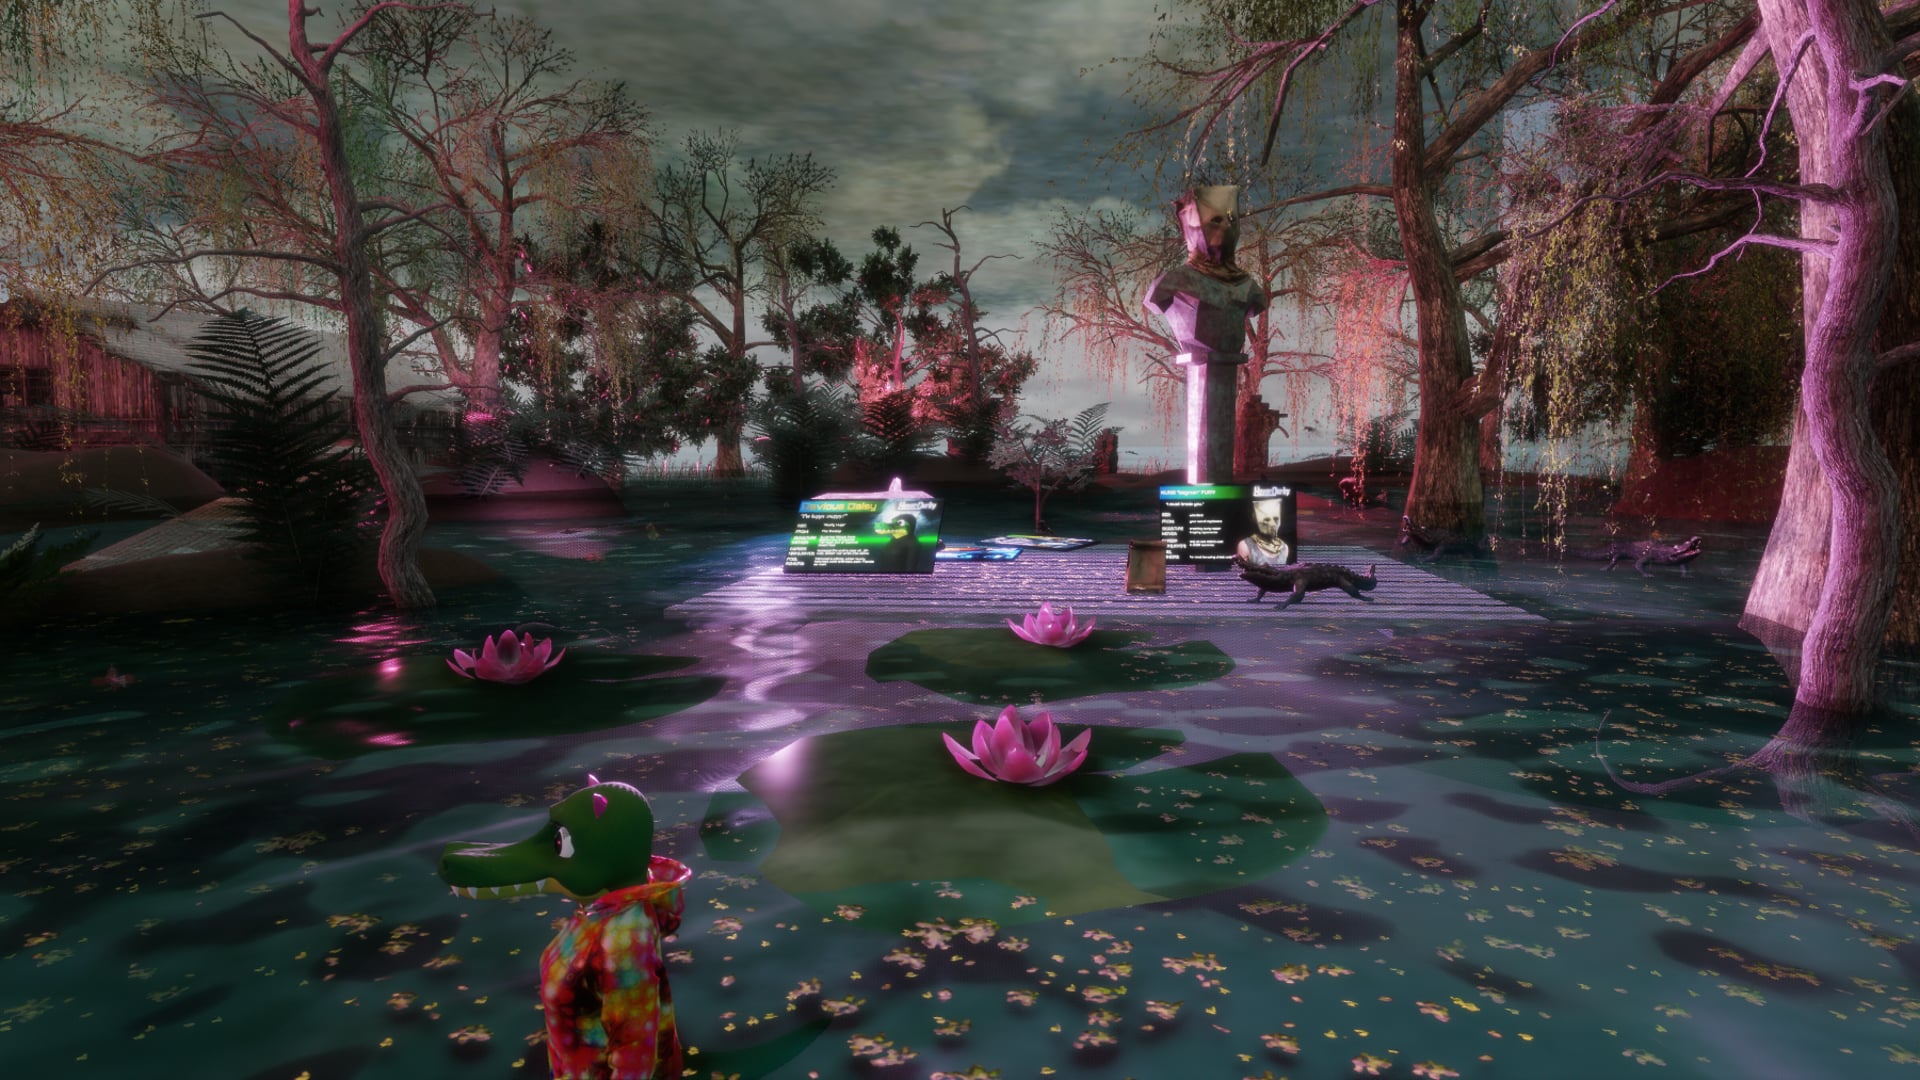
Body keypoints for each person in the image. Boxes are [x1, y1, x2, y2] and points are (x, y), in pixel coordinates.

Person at [1236, 497, 1290, 569]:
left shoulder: (1284, 548)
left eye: (1276, 519)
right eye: (1267, 520)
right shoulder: (1245, 546)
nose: (1273, 524)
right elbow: (1241, 573)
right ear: (1255, 520)